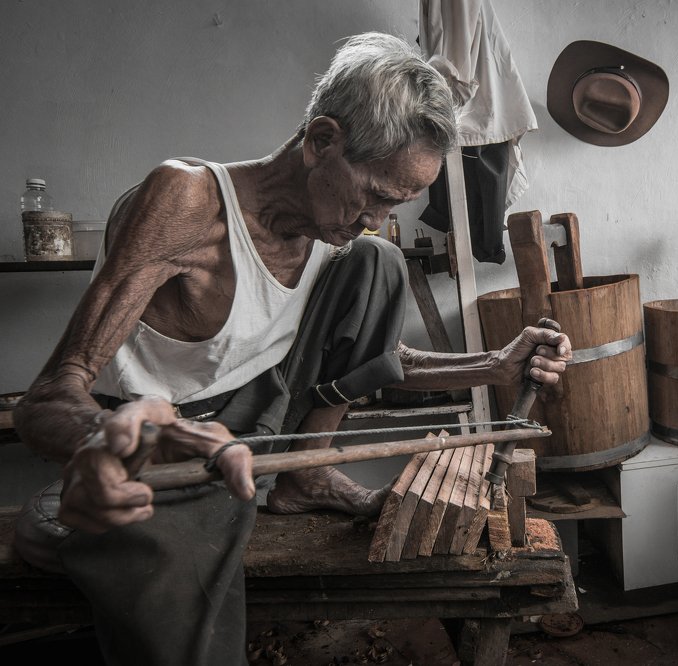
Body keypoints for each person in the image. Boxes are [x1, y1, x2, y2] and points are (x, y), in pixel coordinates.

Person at [13, 32, 571, 665]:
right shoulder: (187, 203)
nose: (378, 216)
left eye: (399, 201)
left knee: (378, 262)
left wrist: (491, 366)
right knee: (185, 610)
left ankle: (303, 474)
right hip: (162, 443)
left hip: (261, 418)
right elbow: (48, 397)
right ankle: (67, 521)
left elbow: (373, 363)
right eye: (378, 195)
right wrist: (102, 441)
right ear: (321, 141)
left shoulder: (336, 233)